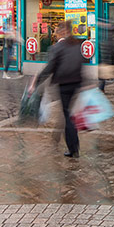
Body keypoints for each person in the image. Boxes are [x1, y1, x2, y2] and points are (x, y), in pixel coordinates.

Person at [36, 20, 83, 158]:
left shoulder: (57, 48)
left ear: (62, 32)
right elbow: (81, 64)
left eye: (56, 33)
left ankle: (73, 148)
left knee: (68, 116)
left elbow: (50, 67)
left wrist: (36, 81)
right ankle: (71, 144)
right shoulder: (77, 45)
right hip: (76, 84)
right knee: (70, 114)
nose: (55, 36)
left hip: (64, 85)